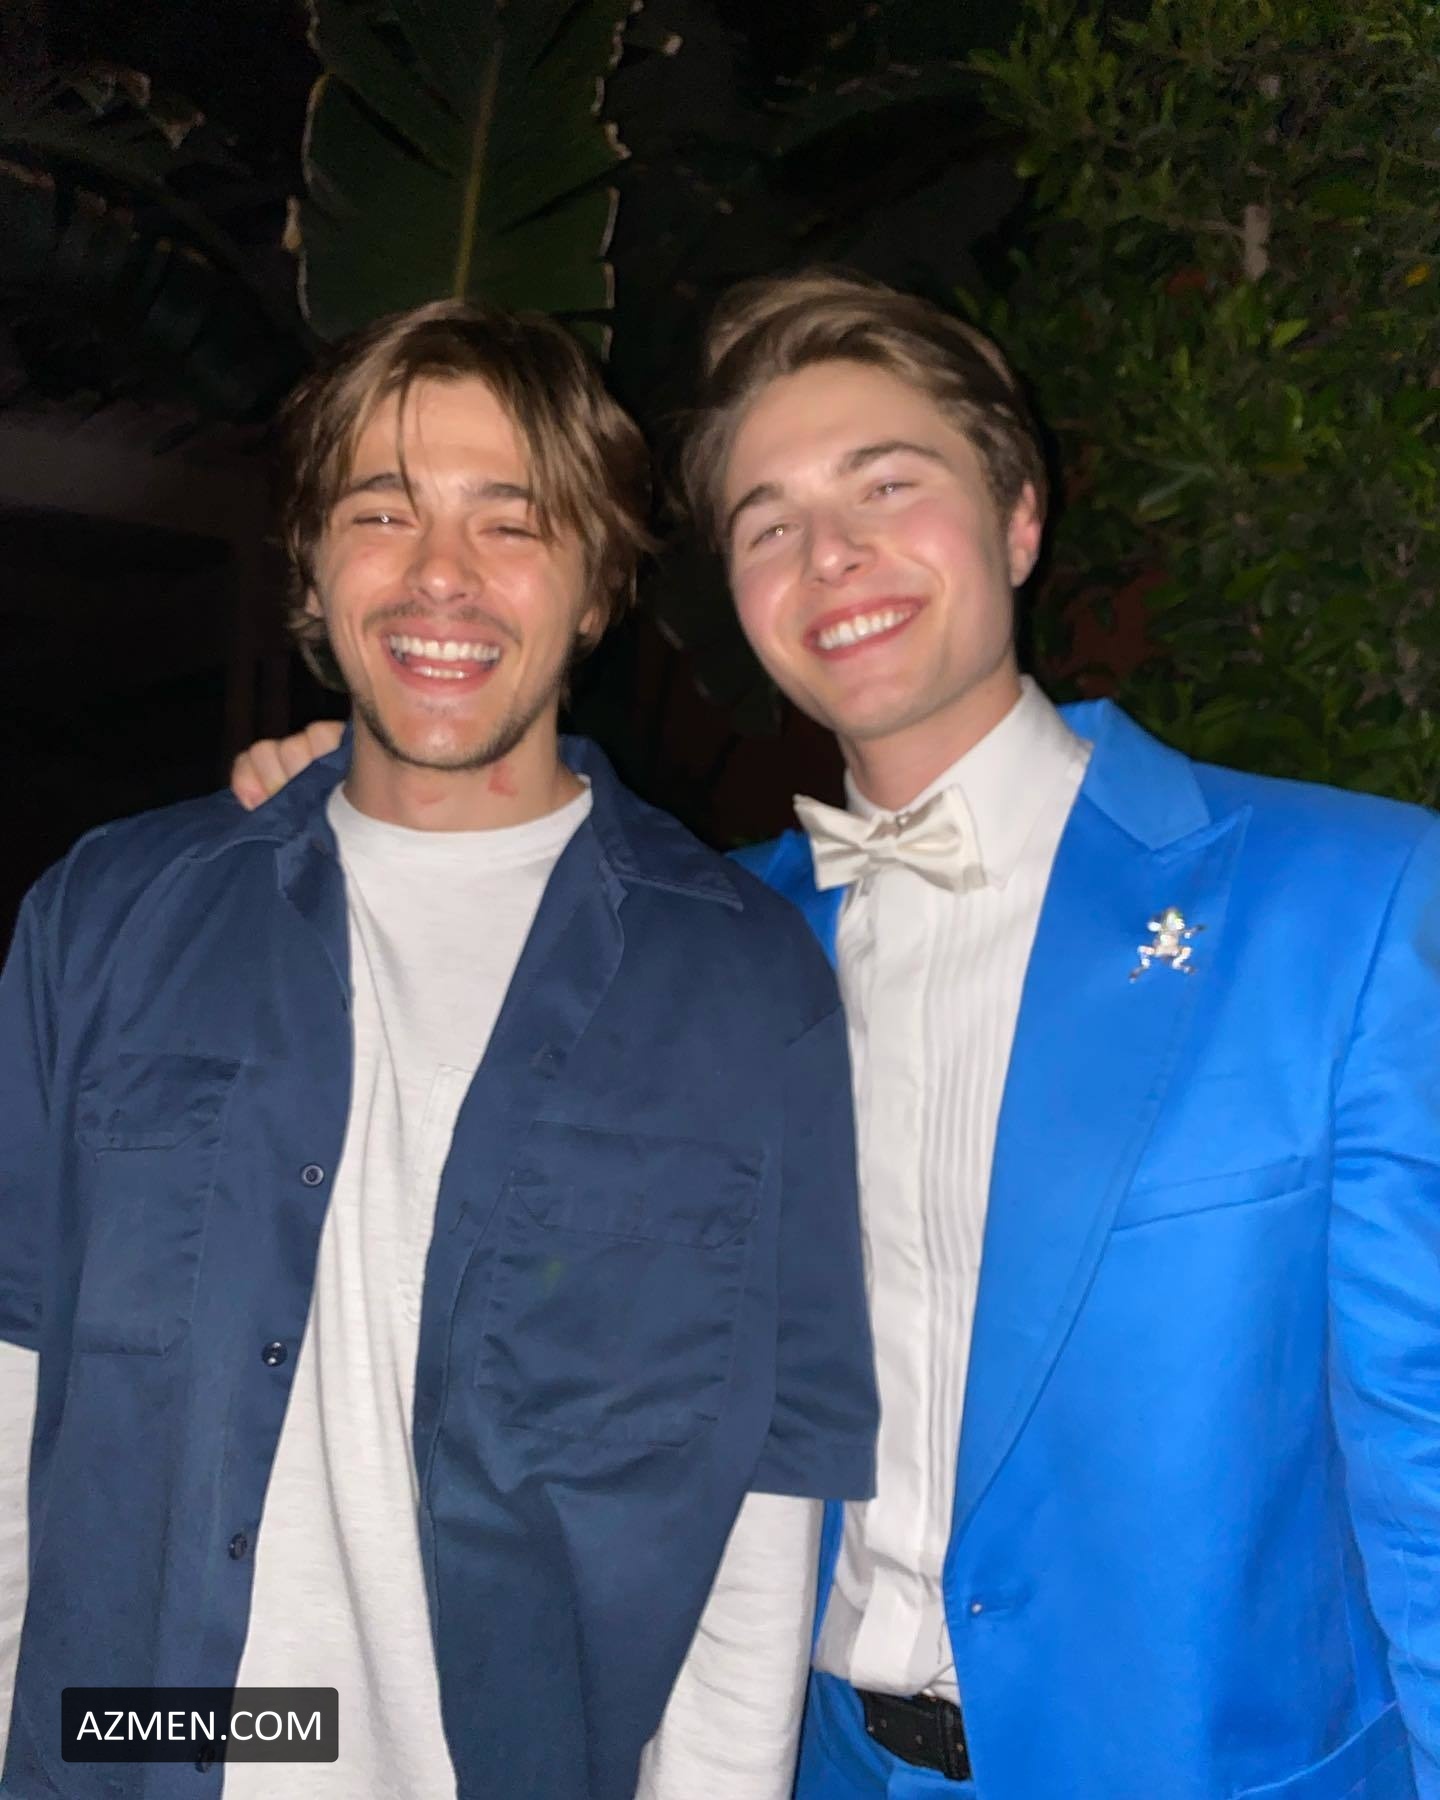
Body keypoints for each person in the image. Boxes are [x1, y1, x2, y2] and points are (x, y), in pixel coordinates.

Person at [234, 270, 1440, 1800]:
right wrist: (367, 796)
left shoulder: (1345, 902)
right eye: (769, 525)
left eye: (888, 485)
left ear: (1019, 515)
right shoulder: (689, 944)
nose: (832, 555)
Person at [0, 299, 879, 1800]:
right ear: (313, 564)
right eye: (382, 511)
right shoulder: (109, 919)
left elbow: (758, 1498)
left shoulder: (741, 986)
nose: (439, 576)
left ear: (598, 585)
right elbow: (17, 1378)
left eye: (510, 522)